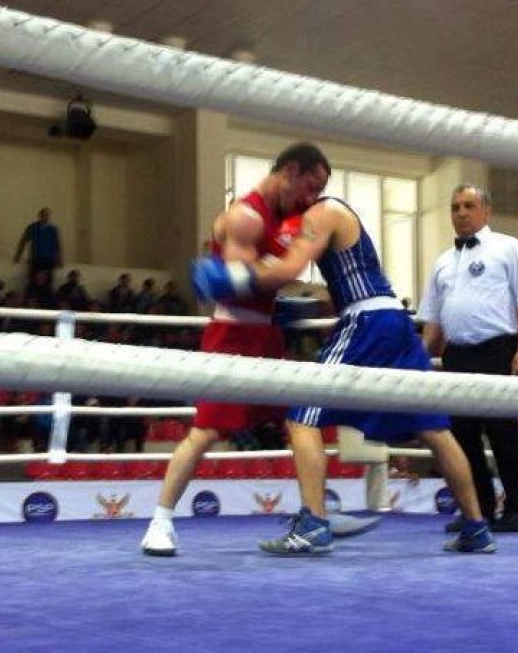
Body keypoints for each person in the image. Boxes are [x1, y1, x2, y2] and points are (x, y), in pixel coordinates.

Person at [193, 191, 496, 555]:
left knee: (301, 416)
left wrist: (234, 277)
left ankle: (313, 526)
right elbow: (321, 281)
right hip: (395, 320)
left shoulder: (322, 212)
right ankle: (476, 527)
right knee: (433, 428)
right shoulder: (332, 217)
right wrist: (296, 305)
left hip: (365, 321)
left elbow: (288, 268)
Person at [141, 143, 373, 557]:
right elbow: (241, 280)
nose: (311, 197)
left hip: (267, 335)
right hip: (232, 337)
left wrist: (292, 299)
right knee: (206, 432)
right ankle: (160, 523)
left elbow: (271, 275)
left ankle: (317, 512)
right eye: (310, 185)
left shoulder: (287, 216)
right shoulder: (246, 217)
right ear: (289, 171)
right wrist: (281, 282)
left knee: (303, 420)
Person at [418, 183, 518, 534]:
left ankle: (516, 508)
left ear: (487, 211)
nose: (461, 213)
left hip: (498, 349)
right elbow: (433, 321)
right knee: (463, 436)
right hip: (456, 355)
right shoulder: (443, 261)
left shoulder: (509, 247)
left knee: (503, 433)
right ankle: (479, 510)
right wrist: (419, 360)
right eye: (455, 207)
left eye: (469, 205)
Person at [13, 207, 62, 280]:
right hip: (36, 258)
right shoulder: (33, 227)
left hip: (49, 259)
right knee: (33, 279)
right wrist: (18, 255)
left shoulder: (53, 229)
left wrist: (59, 259)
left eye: (47, 215)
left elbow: (57, 245)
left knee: (48, 280)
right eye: (44, 215)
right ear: (40, 215)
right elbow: (23, 241)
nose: (46, 217)